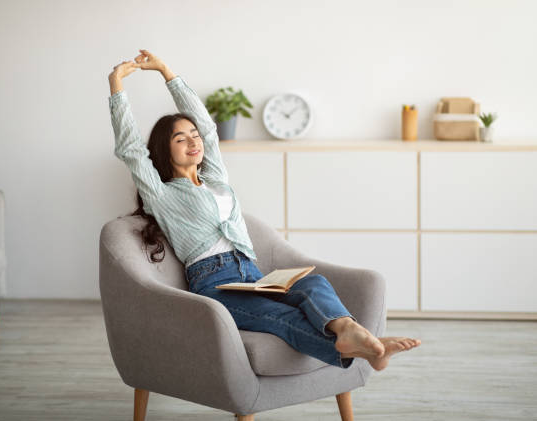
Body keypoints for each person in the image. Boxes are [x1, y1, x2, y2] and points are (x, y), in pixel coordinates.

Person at [107, 49, 421, 371]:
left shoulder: (214, 178)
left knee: (314, 285)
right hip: (213, 282)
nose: (194, 141)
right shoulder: (162, 194)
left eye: (194, 135)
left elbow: (209, 129)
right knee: (282, 316)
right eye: (180, 138)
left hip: (252, 274)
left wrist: (167, 72)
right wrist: (116, 85)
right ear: (164, 149)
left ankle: (349, 331)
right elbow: (130, 149)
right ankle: (365, 351)